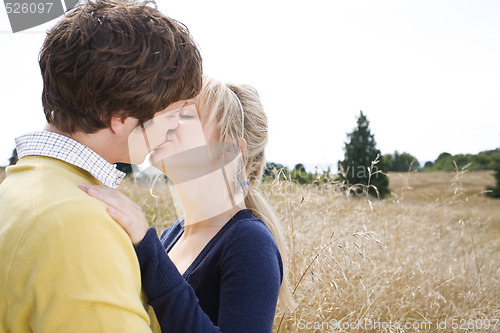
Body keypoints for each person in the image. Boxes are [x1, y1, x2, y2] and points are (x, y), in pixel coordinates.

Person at [0, 0, 202, 332]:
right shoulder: (78, 225)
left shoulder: (22, 184)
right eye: (171, 115)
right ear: (120, 119)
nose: (175, 128)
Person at [80, 77, 295, 332]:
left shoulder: (250, 242)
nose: (167, 121)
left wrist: (149, 250)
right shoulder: (173, 234)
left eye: (187, 115)